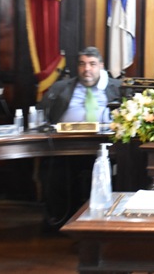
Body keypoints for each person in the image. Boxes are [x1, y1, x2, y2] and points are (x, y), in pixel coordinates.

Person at [37, 46, 122, 228]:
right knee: (53, 169)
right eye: (82, 64)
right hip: (65, 146)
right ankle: (60, 220)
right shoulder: (61, 87)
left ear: (101, 66)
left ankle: (106, 221)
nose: (87, 69)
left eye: (92, 64)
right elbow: (40, 114)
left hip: (105, 147)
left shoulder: (118, 88)